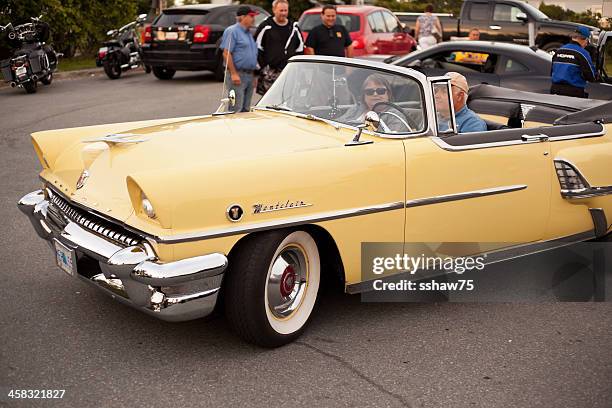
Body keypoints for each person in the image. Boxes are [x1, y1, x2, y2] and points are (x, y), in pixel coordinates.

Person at [254, 0, 304, 95]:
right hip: (270, 73)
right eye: (281, 10)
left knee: (287, 100)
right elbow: (256, 47)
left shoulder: (294, 27)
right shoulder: (266, 26)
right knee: (270, 103)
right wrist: (262, 68)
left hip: (289, 72)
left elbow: (300, 49)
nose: (284, 13)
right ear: (274, 10)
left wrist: (297, 67)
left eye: (285, 10)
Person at [219, 6, 259, 112]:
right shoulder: (232, 31)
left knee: (246, 109)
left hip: (249, 75)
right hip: (237, 75)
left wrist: (253, 75)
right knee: (236, 108)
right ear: (242, 17)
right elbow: (226, 53)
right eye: (251, 16)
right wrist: (233, 73)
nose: (253, 19)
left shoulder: (248, 33)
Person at [338, 74, 409, 133]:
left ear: (388, 94)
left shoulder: (395, 115)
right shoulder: (356, 109)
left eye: (380, 91)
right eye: (369, 91)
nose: (375, 94)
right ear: (364, 95)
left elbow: (393, 142)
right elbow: (337, 124)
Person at [550, 26, 597, 98]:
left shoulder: (559, 50)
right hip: (573, 93)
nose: (587, 44)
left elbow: (552, 73)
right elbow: (591, 77)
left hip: (554, 91)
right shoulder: (583, 53)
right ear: (586, 39)